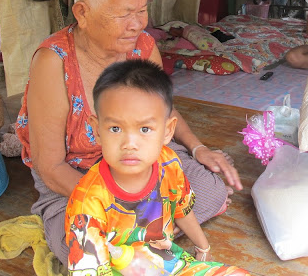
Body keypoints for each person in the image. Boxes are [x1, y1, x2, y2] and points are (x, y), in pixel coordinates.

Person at [16, 0, 242, 266]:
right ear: (82, 12)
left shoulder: (143, 47)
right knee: (79, 250)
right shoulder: (54, 62)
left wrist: (198, 148)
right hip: (77, 174)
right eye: (123, 14)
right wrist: (120, 202)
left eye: (142, 11)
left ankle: (138, 243)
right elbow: (50, 167)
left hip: (139, 160)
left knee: (211, 191)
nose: (136, 25)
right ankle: (151, 235)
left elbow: (164, 112)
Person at [66, 59, 250, 276]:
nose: (130, 144)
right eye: (115, 128)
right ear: (96, 130)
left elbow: (182, 209)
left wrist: (204, 248)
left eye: (145, 129)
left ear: (167, 131)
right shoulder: (87, 202)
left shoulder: (169, 163)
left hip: (171, 265)